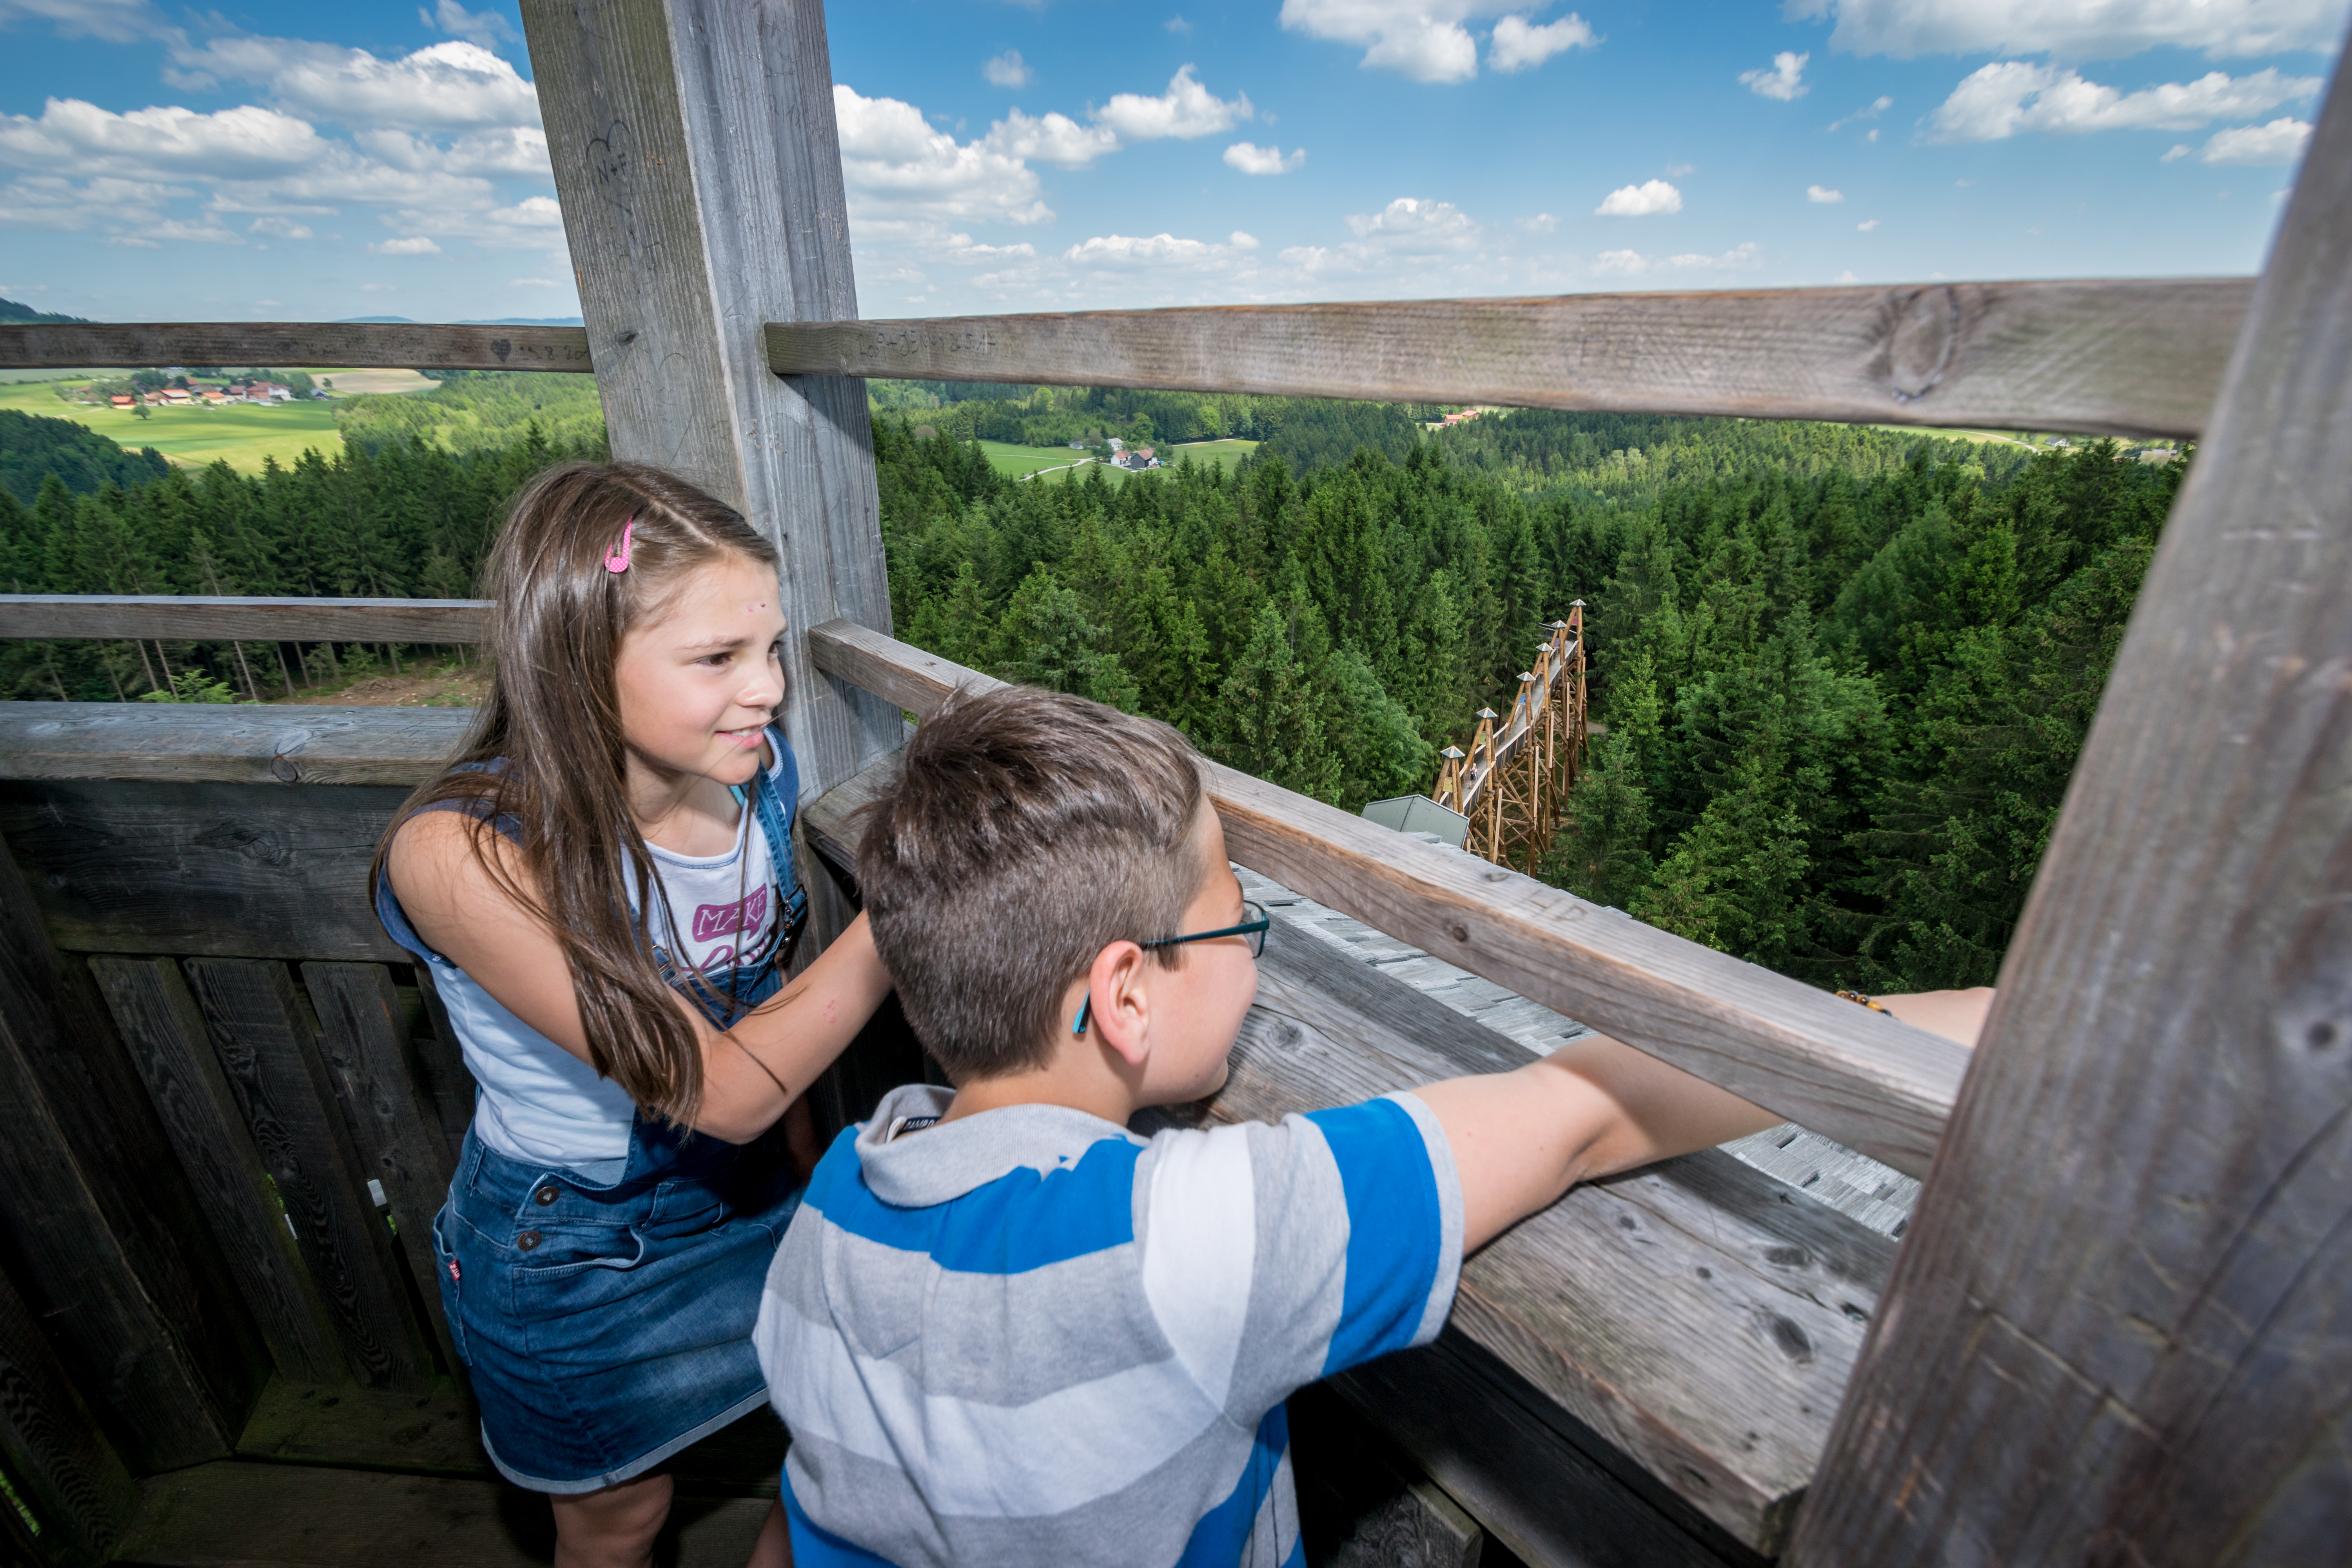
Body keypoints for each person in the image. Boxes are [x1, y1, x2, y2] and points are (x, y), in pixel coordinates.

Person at [753, 684, 1990, 1568]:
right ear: (1127, 995)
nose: (1255, 964)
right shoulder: (1186, 1243)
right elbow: (1578, 1114)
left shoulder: (830, 1214)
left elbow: (811, 1514)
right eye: (1240, 930)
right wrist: (1908, 1032)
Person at [376, 461, 895, 1568]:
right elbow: (717, 1086)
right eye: (716, 659)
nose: (766, 690)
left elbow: (764, 1008)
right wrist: (903, 918)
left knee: (846, 1446)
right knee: (621, 1521)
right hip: (579, 1250)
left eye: (771, 651)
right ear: (573, 661)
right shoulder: (464, 854)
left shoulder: (755, 777)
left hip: (759, 1196)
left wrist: (804, 1181)